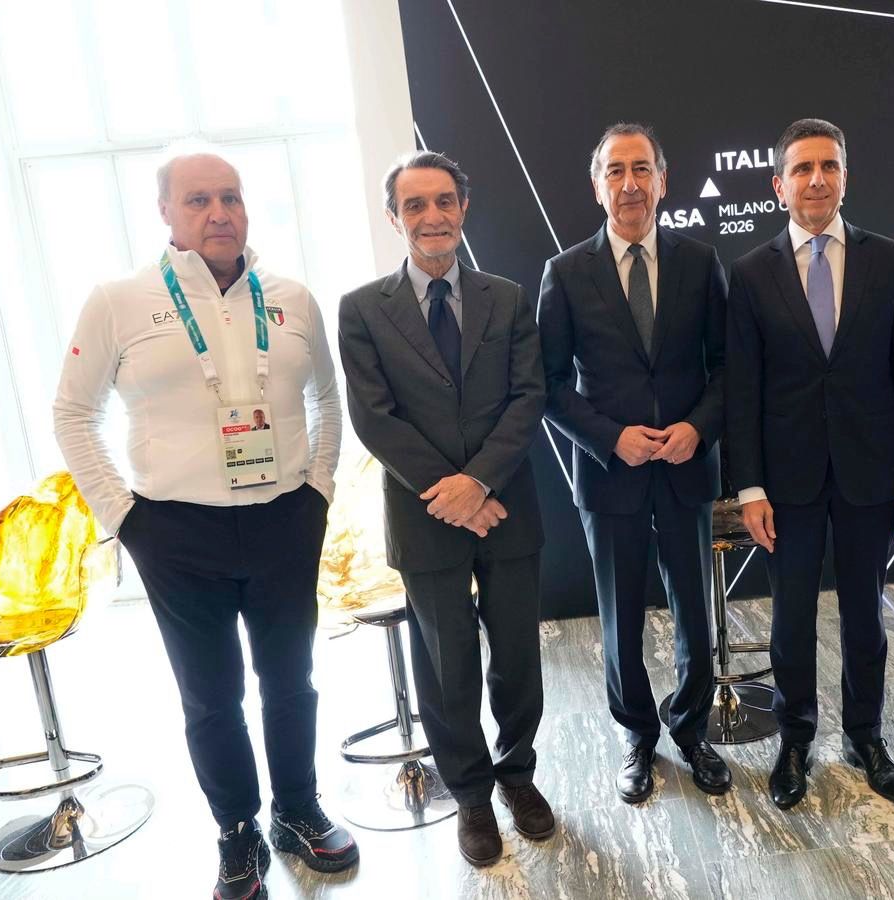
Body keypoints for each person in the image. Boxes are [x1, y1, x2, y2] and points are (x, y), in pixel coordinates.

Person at [53, 149, 356, 900]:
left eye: (231, 197)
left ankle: (297, 808)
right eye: (198, 200)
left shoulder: (291, 298)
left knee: (292, 680)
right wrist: (123, 517)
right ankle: (236, 829)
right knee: (210, 695)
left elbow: (327, 397)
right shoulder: (119, 301)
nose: (219, 213)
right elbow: (73, 412)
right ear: (165, 212)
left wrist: (318, 490)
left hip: (284, 522)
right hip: (176, 534)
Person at [338, 151, 552, 867]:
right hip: (423, 514)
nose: (432, 216)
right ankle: (470, 795)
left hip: (506, 508)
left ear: (463, 208)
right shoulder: (363, 309)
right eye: (415, 204)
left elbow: (528, 397)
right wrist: (453, 493)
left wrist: (480, 483)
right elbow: (374, 417)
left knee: (517, 657)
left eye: (443, 201)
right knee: (445, 665)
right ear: (393, 216)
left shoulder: (508, 298)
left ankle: (517, 775)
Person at [727, 118, 894, 810]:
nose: (816, 179)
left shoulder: (887, 260)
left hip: (870, 475)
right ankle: (795, 741)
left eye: (828, 166)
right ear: (778, 185)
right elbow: (742, 391)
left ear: (845, 176)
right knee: (789, 620)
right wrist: (749, 487)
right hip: (785, 484)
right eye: (802, 168)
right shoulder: (750, 273)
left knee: (865, 616)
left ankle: (865, 736)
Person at [537, 123, 730, 804]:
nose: (629, 184)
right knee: (619, 618)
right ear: (597, 187)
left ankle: (692, 729)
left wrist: (697, 428)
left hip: (685, 467)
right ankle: (637, 736)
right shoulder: (565, 272)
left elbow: (727, 366)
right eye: (615, 171)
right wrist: (609, 437)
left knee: (695, 614)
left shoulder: (699, 262)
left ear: (662, 181)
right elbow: (548, 384)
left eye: (641, 169)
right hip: (609, 472)